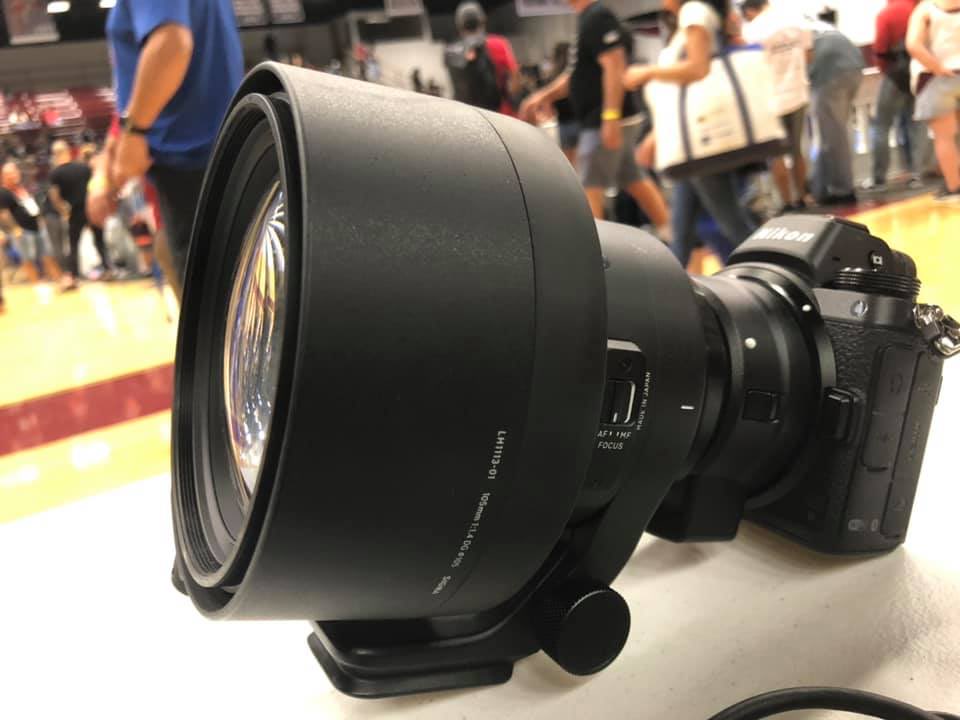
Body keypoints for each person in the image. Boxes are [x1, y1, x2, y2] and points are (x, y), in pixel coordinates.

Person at [88, 0, 244, 299]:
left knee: (214, 305)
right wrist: (105, 170)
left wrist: (136, 131)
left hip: (190, 167)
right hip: (211, 158)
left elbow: (171, 44)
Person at [518, 0, 670, 240]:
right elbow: (576, 77)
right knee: (633, 179)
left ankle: (597, 253)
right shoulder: (587, 19)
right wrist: (542, 96)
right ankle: (672, 235)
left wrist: (610, 117)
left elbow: (614, 65)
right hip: (603, 120)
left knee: (588, 188)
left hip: (602, 120)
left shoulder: (598, 16)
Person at [624, 0, 758, 267]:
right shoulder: (692, 16)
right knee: (683, 229)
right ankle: (671, 285)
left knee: (730, 222)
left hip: (702, 138)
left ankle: (778, 269)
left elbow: (697, 68)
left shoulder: (694, 12)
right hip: (692, 143)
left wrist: (647, 72)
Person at [740, 0, 813, 211]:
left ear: (750, 10)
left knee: (776, 154)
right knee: (797, 149)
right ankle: (803, 196)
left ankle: (787, 202)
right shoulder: (796, 20)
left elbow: (751, 68)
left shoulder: (753, 29)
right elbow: (808, 55)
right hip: (798, 92)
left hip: (771, 98)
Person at [868, 0, 931, 189]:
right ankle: (917, 174)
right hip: (918, 73)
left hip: (894, 76)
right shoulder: (922, 9)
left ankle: (879, 178)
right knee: (916, 125)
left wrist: (884, 70)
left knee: (881, 125)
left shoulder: (887, 13)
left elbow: (880, 48)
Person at [805, 15, 865, 205]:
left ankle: (843, 190)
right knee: (834, 133)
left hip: (829, 74)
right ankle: (820, 188)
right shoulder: (818, 25)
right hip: (853, 67)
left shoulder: (785, 29)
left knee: (833, 137)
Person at [907, 0, 960, 203]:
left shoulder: (927, 8)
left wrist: (937, 68)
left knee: (944, 137)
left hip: (938, 78)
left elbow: (913, 44)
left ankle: (955, 187)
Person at [48, 139, 113, 289]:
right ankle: (108, 269)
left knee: (74, 244)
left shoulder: (55, 173)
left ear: (55, 154)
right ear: (68, 151)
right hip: (91, 208)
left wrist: (64, 212)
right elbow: (94, 185)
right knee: (99, 240)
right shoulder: (84, 167)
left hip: (75, 211)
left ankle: (75, 276)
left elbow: (55, 197)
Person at [445, 2, 520, 115]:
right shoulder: (498, 44)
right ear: (483, 21)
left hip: (468, 116)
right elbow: (515, 81)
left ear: (459, 26)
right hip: (500, 114)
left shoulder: (451, 52)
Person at [0, 161, 61, 283]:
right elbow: (4, 213)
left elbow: (31, 205)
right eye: (10, 174)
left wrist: (40, 220)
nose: (14, 175)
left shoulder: (21, 188)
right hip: (23, 230)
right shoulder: (3, 192)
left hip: (37, 227)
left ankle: (58, 280)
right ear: (4, 176)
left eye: (14, 172)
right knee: (28, 259)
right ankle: (36, 284)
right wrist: (15, 228)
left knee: (48, 255)